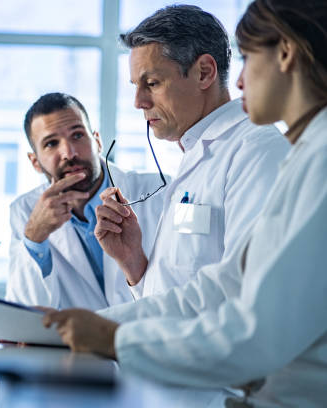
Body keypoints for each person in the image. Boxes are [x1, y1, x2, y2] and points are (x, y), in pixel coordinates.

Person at [44, 0, 327, 406]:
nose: (242, 79)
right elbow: (217, 284)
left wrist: (116, 339)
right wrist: (122, 292)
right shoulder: (207, 156)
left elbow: (253, 324)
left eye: (152, 83)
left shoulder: (270, 153)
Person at [93, 5, 290, 299]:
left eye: (152, 83)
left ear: (204, 73)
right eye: (136, 86)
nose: (138, 102)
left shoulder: (256, 152)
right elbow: (180, 289)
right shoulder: (197, 155)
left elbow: (249, 296)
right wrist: (134, 263)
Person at [6, 92, 167, 310]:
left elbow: (182, 293)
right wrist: (35, 238)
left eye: (78, 136)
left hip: (145, 339)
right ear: (35, 161)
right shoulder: (24, 212)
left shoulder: (159, 193)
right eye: (51, 143)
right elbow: (23, 316)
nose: (69, 153)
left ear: (97, 141)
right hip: (74, 344)